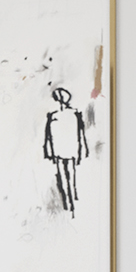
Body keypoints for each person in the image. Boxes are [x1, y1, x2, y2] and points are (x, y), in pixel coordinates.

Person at [42, 86, 88, 214]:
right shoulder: (52, 115)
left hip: (70, 148)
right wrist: (48, 151)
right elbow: (48, 136)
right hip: (59, 149)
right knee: (64, 176)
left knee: (70, 177)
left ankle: (72, 202)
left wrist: (82, 150)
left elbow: (80, 134)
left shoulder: (74, 113)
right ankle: (68, 203)